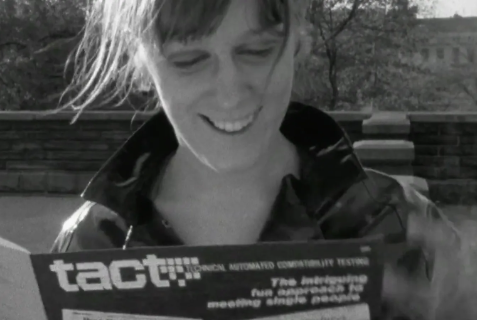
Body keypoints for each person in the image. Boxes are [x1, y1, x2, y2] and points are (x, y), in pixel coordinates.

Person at [51, 1, 474, 319]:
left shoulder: (405, 231)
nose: (231, 92)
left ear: (298, 43)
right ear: (140, 63)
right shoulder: (91, 246)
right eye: (189, 60)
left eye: (256, 51)